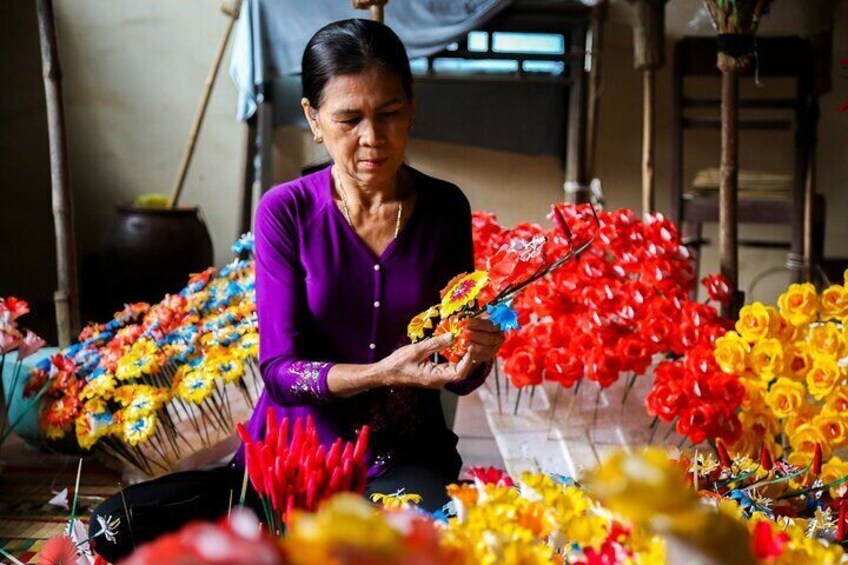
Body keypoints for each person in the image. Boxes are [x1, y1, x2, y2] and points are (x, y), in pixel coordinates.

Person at [91, 18, 504, 562]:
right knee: (110, 528)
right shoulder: (286, 211)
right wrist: (385, 373)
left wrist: (476, 355)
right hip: (292, 458)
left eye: (390, 113)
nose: (372, 139)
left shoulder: (445, 208)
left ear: (412, 104)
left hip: (404, 459)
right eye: (348, 119)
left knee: (390, 548)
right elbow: (281, 372)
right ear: (313, 119)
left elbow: (459, 375)